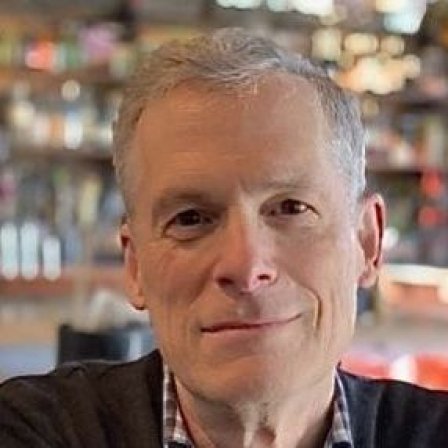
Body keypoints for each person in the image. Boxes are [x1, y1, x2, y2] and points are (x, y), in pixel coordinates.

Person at [1, 28, 448, 448]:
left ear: (367, 243)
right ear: (135, 267)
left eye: (291, 208)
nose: (246, 266)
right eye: (191, 219)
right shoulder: (32, 429)